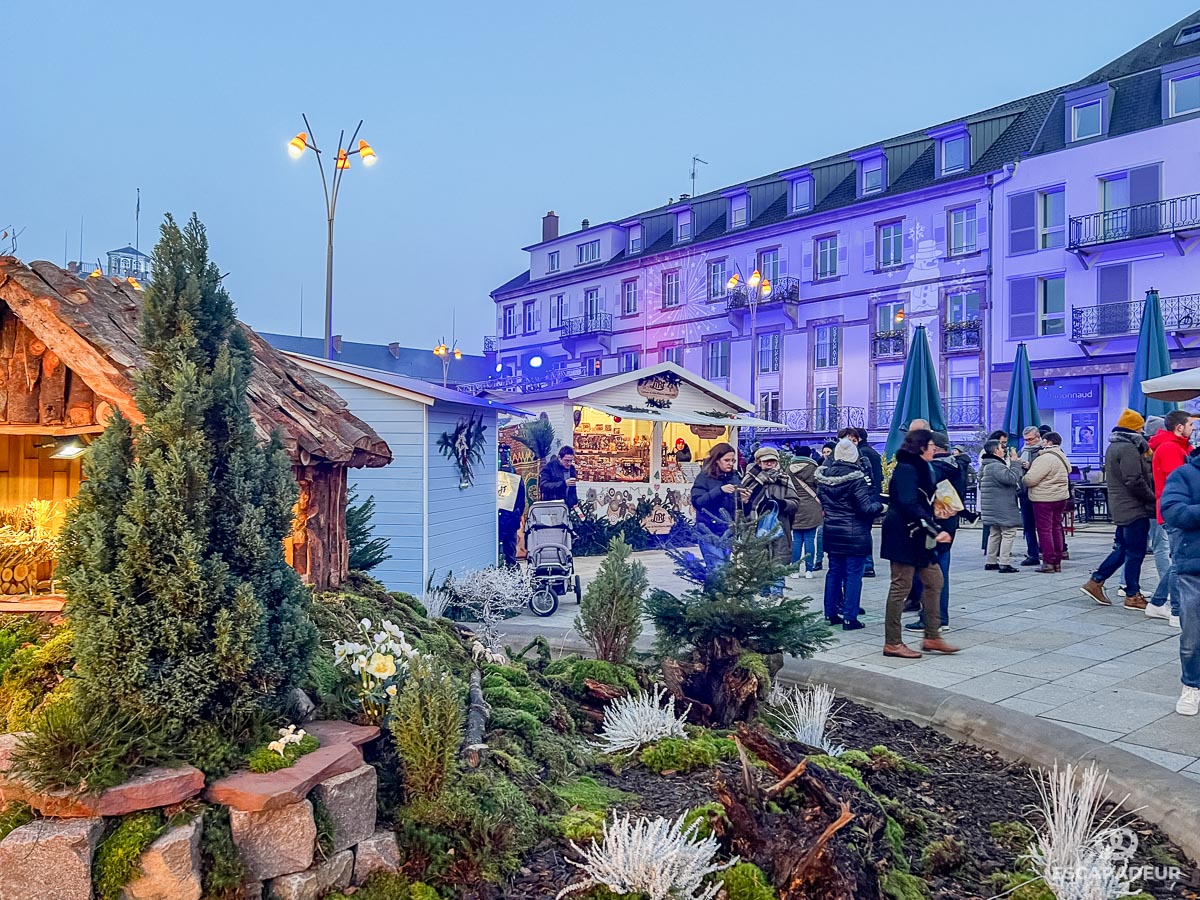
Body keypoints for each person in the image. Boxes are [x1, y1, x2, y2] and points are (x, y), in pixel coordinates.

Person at [880, 429, 960, 658]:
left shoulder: (924, 467)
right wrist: (934, 530)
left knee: (935, 581)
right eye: (932, 445)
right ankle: (892, 642)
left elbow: (923, 501)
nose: (935, 449)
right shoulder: (906, 469)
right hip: (903, 534)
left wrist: (939, 511)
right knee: (900, 587)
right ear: (921, 447)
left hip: (920, 535)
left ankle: (932, 636)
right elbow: (907, 503)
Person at [1081, 410, 1155, 609]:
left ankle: (1096, 581)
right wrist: (1152, 498)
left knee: (1124, 548)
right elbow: (1134, 480)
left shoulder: (1114, 446)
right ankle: (1132, 595)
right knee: (1135, 552)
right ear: (1134, 428)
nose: (1142, 431)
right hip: (1133, 507)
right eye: (1140, 427)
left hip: (1121, 506)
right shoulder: (1129, 448)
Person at [904, 431, 969, 634]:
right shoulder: (957, 466)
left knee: (930, 574)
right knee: (941, 571)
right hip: (949, 524)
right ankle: (941, 616)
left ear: (937, 448)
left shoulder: (935, 468)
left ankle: (932, 618)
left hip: (933, 526)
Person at [815, 438, 884, 629]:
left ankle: (830, 614)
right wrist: (881, 506)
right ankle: (849, 617)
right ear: (854, 456)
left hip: (832, 530)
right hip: (854, 533)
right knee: (854, 575)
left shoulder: (824, 477)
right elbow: (865, 508)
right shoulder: (856, 478)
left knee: (834, 572)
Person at [1156, 449, 1200, 716]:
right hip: (1194, 566)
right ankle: (1192, 685)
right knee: (1193, 633)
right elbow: (1172, 511)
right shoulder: (1184, 474)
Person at [1148, 410, 1194, 627]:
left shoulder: (1179, 447)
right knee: (1179, 562)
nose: (1193, 429)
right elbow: (1182, 479)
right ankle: (1176, 610)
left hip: (1176, 510)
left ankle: (1157, 602)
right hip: (1174, 512)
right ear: (1179, 428)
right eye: (1191, 426)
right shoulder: (1169, 448)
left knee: (1178, 560)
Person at [742, 446, 800, 594]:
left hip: (779, 531)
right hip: (755, 533)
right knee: (760, 573)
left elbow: (795, 503)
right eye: (766, 461)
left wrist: (782, 504)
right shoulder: (749, 479)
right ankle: (763, 605)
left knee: (778, 571)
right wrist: (748, 502)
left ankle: (777, 606)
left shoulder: (784, 479)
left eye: (773, 461)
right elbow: (740, 506)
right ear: (758, 462)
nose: (770, 464)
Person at [691, 442, 745, 572]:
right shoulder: (704, 478)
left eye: (733, 460)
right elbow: (698, 502)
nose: (730, 463)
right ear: (716, 460)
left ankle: (713, 592)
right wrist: (720, 490)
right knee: (717, 568)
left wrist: (746, 500)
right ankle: (714, 592)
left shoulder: (735, 477)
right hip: (709, 529)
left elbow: (739, 507)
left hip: (728, 530)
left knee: (723, 568)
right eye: (726, 460)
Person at [1023, 431, 1071, 573]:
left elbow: (1031, 479)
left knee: (1045, 530)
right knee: (1056, 527)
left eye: (1044, 441)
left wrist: (1024, 478)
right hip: (1061, 497)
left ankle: (1048, 562)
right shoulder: (1062, 456)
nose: (1042, 443)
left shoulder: (1044, 458)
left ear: (1048, 442)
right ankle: (1057, 561)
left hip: (1044, 499)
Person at [978, 439, 1022, 573]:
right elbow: (1011, 478)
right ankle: (1004, 562)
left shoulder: (985, 465)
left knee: (995, 533)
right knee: (1008, 532)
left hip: (992, 506)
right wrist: (1015, 463)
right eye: (1001, 448)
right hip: (1002, 506)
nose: (1004, 450)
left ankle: (991, 561)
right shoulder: (996, 466)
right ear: (995, 451)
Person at [787, 450, 823, 579]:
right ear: (809, 456)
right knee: (809, 540)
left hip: (794, 506)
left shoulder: (789, 470)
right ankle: (809, 570)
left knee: (796, 541)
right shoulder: (813, 468)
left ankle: (794, 570)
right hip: (812, 507)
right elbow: (820, 487)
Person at [853, 427, 884, 578]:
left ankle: (866, 564)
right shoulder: (875, 453)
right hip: (874, 496)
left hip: (864, 497)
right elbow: (880, 477)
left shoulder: (861, 454)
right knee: (866, 531)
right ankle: (868, 564)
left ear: (857, 439)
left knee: (862, 531)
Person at [1017, 426, 1043, 566]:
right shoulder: (1023, 450)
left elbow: (1044, 470)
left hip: (1039, 493)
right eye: (1026, 439)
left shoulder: (1043, 451)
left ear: (1038, 437)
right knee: (1028, 525)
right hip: (1024, 493)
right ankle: (1032, 553)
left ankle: (1047, 552)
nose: (1028, 442)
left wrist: (1031, 466)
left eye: (1031, 439)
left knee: (1043, 526)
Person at [497, 454, 527, 568]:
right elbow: (522, 502)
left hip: (499, 518)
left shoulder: (495, 478)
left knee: (495, 547)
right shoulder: (517, 479)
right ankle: (511, 571)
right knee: (510, 551)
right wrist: (517, 515)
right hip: (512, 520)